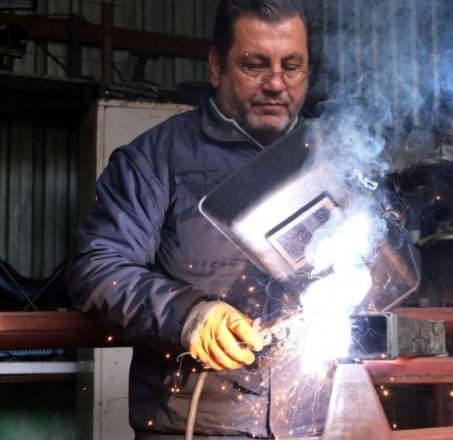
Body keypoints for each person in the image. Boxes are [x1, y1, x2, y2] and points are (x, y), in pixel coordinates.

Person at [66, 1, 323, 438]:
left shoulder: (332, 156)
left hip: (315, 424)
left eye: (291, 66)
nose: (276, 83)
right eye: (255, 65)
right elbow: (97, 268)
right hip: (197, 427)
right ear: (216, 66)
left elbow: (393, 269)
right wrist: (187, 314)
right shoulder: (157, 158)